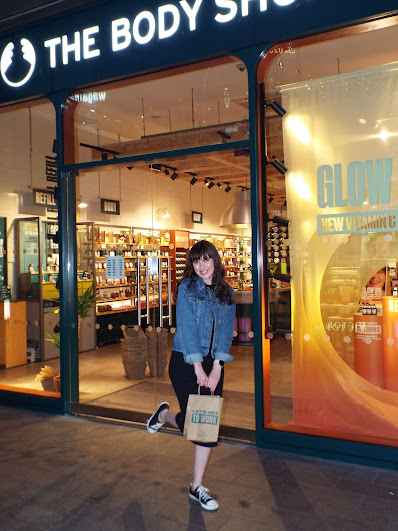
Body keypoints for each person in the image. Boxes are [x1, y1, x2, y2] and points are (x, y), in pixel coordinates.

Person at [147, 240, 236, 511]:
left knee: (206, 423)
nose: (202, 266)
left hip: (214, 362)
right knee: (196, 420)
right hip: (185, 361)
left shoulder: (226, 292)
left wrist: (217, 367)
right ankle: (164, 416)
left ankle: (196, 486)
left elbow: (225, 331)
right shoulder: (186, 288)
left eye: (206, 259)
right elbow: (186, 328)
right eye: (196, 261)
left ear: (215, 261)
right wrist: (199, 368)